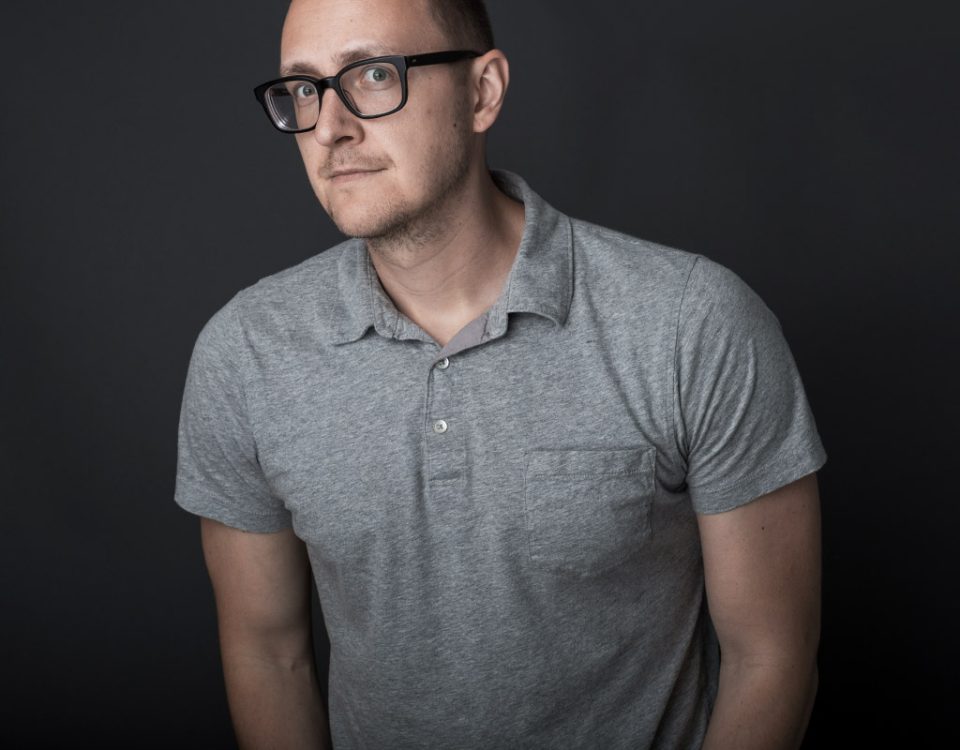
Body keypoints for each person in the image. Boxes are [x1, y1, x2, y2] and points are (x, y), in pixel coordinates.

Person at [174, 0, 827, 747]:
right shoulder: (246, 352)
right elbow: (269, 656)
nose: (330, 127)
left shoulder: (692, 322)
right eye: (303, 88)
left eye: (374, 74)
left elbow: (770, 658)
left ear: (482, 91)